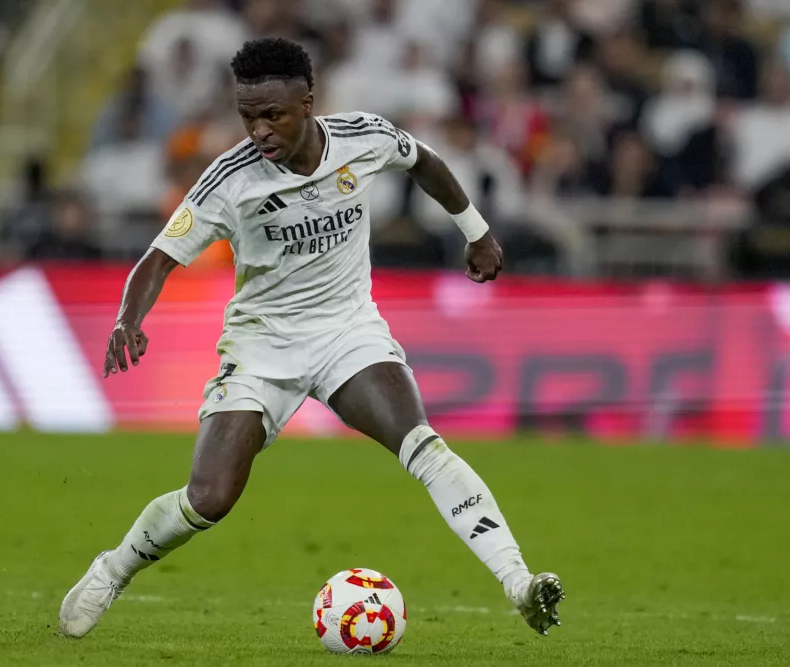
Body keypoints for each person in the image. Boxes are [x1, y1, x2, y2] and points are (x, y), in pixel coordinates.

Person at [59, 37, 564, 639]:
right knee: (209, 498)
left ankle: (519, 583)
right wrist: (127, 319)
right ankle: (114, 568)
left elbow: (424, 161)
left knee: (422, 445)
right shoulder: (229, 178)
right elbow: (159, 257)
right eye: (248, 117)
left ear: (308, 102)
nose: (260, 131)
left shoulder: (363, 137)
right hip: (260, 348)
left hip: (347, 331)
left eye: (273, 114)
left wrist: (476, 232)